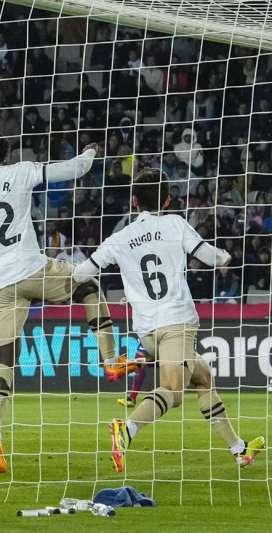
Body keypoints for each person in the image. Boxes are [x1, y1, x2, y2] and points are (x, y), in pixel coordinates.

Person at [0, 144, 131, 474]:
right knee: (89, 286)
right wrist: (90, 152)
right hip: (32, 268)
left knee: (5, 358)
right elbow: (75, 169)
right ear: (3, 155)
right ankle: (110, 361)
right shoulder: (19, 171)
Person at [72, 169, 264, 472]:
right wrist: (227, 257)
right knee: (173, 392)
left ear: (134, 201)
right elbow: (212, 258)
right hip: (175, 323)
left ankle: (238, 449)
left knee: (202, 378)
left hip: (147, 331)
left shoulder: (119, 238)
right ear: (167, 198)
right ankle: (128, 428)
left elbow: (82, 273)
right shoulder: (174, 223)